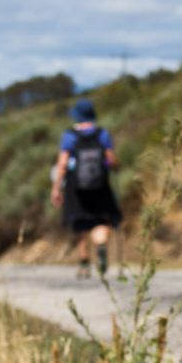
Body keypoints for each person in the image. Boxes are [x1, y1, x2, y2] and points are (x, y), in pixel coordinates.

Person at [51, 97, 121, 278]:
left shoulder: (69, 136)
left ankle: (84, 263)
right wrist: (114, 167)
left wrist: (57, 187)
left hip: (76, 186)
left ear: (77, 116)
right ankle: (101, 246)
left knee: (80, 223)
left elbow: (62, 164)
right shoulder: (102, 134)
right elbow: (112, 160)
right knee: (101, 220)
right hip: (100, 185)